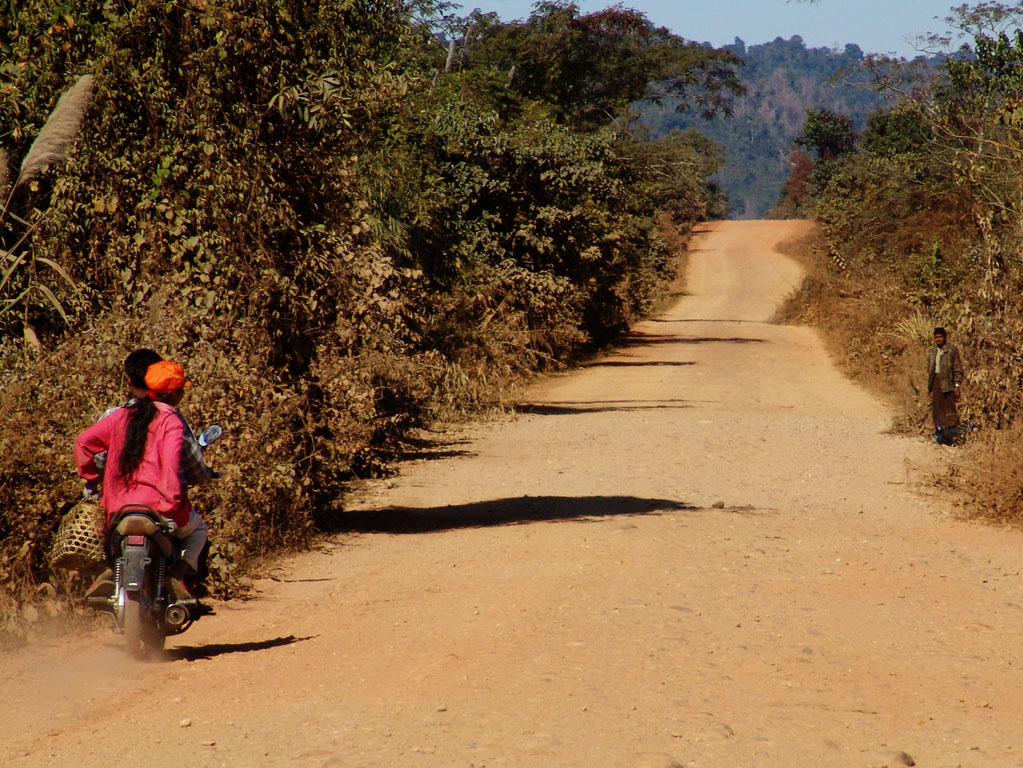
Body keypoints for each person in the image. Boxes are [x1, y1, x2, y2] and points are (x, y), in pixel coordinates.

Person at [75, 360, 209, 603]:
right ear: (177, 395)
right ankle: (176, 577)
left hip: (116, 507)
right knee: (199, 530)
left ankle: (110, 573)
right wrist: (172, 503)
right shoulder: (171, 421)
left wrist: (92, 480)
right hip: (157, 506)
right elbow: (169, 468)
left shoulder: (120, 416)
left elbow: (83, 442)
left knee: (105, 539)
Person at [926, 327, 965, 445]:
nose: (938, 339)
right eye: (936, 337)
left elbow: (957, 368)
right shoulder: (933, 352)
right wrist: (930, 388)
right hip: (936, 382)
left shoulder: (951, 351)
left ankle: (952, 437)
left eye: (940, 337)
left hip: (948, 383)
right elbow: (931, 371)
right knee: (937, 410)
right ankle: (940, 437)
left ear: (945, 338)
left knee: (949, 410)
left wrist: (957, 385)